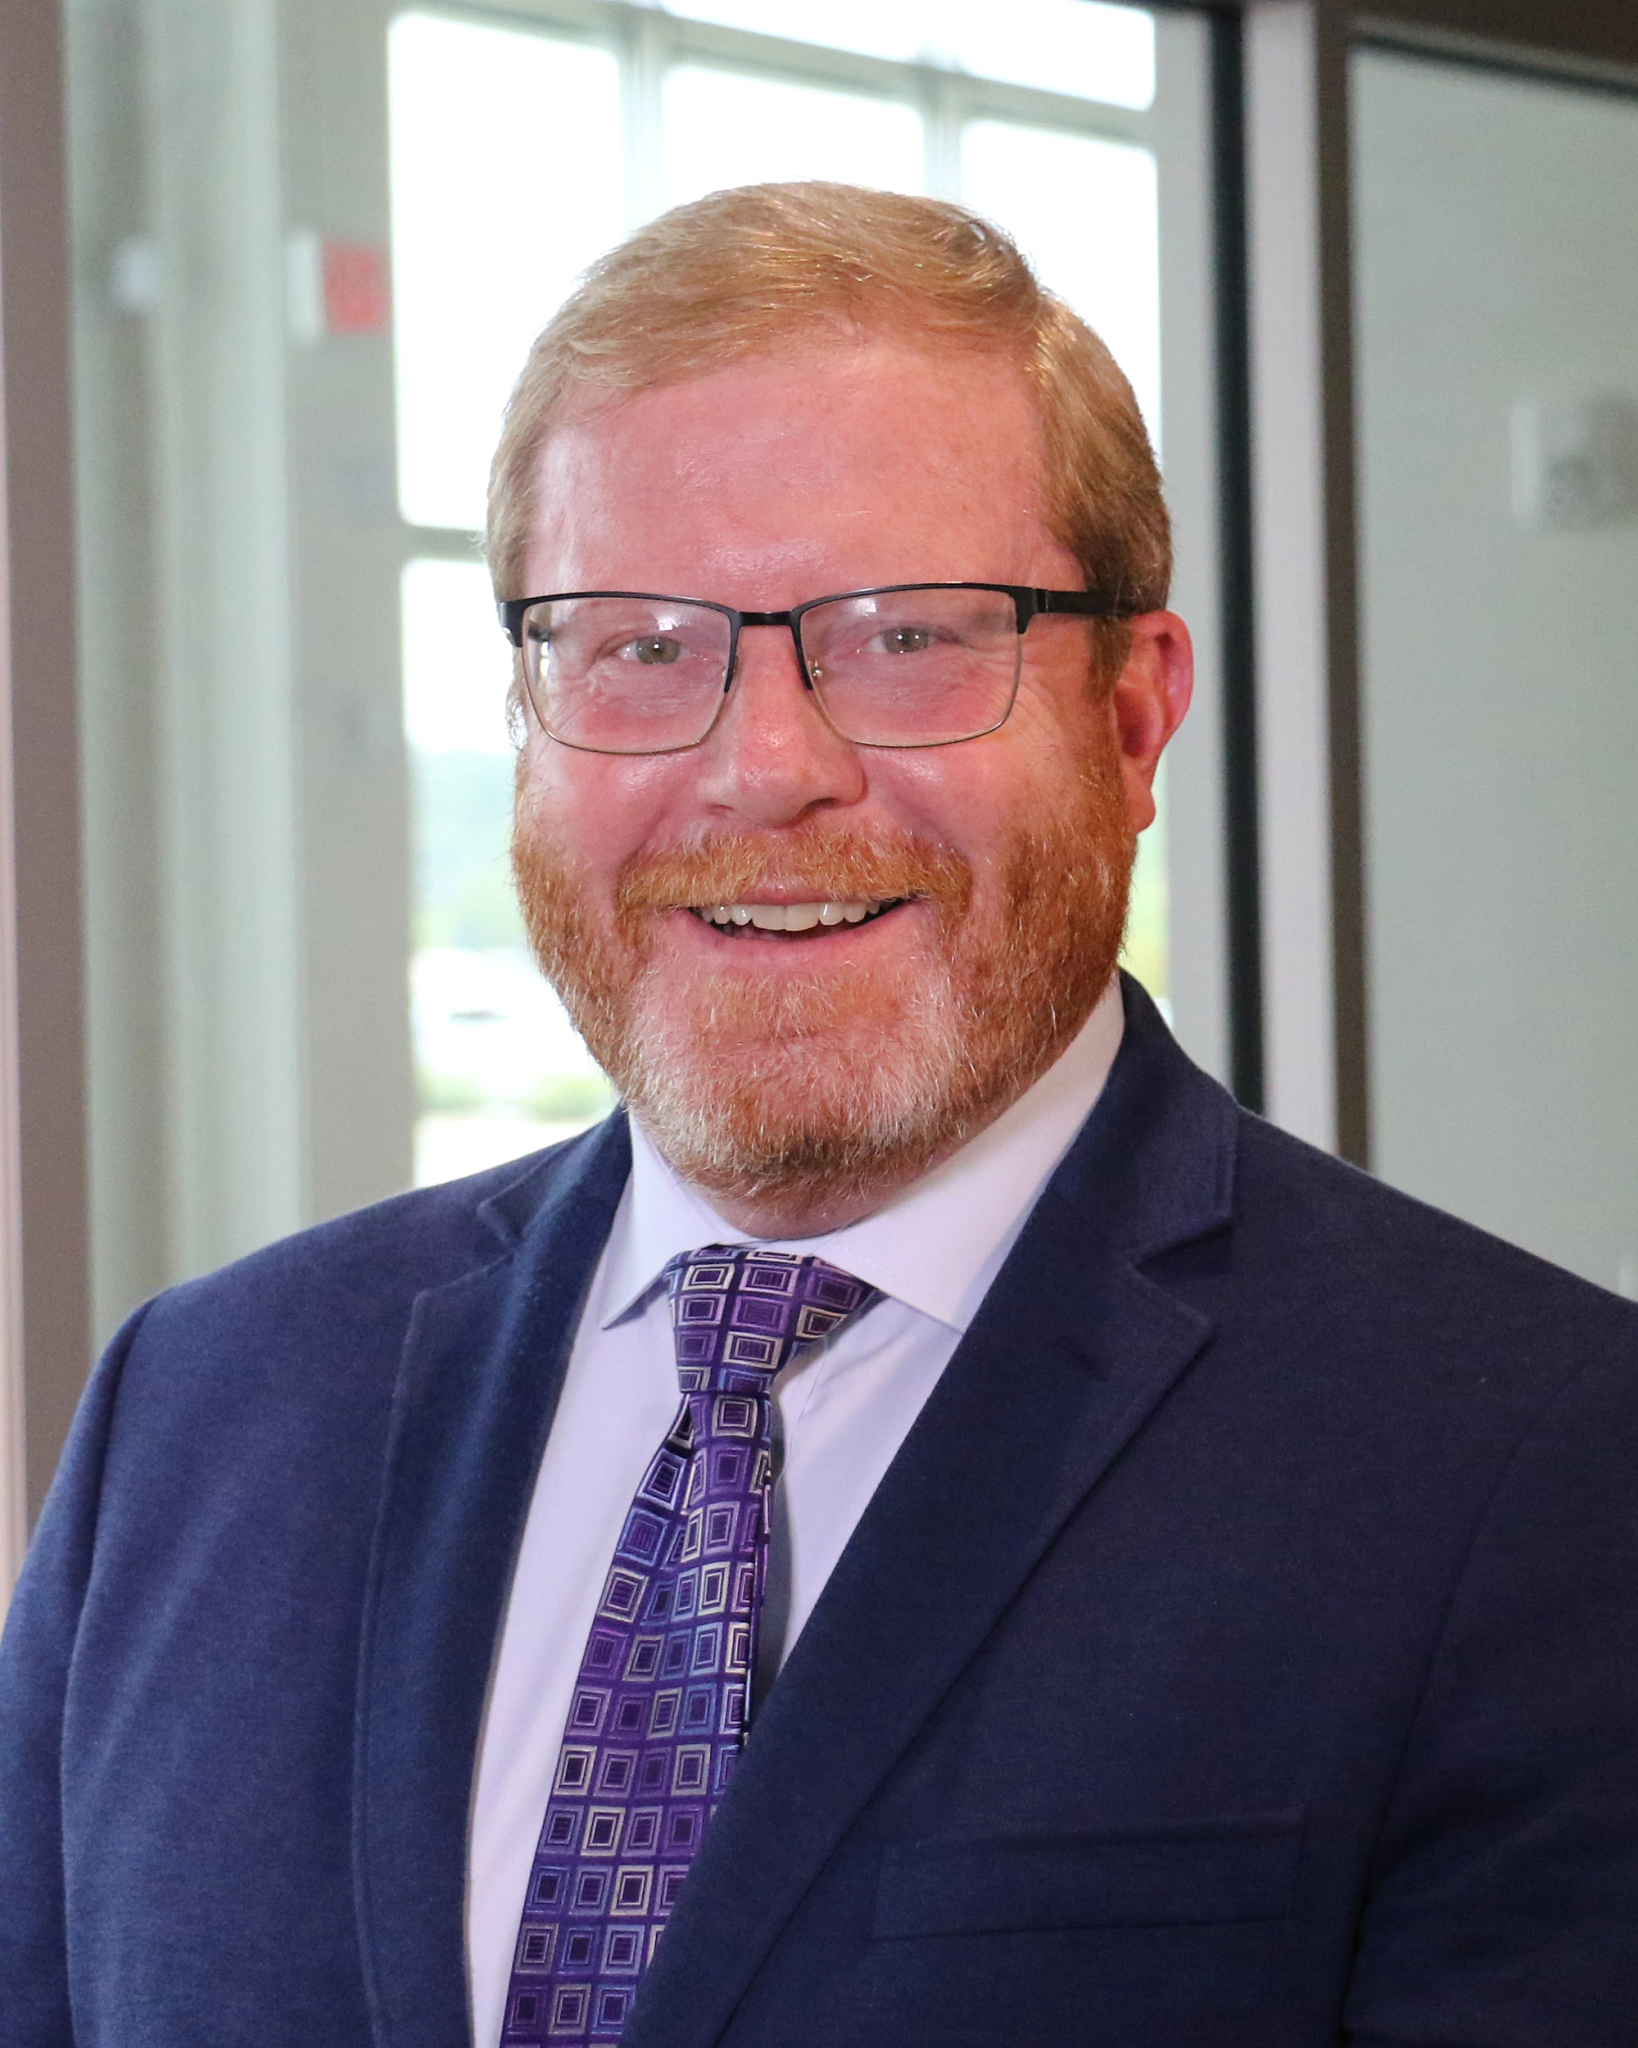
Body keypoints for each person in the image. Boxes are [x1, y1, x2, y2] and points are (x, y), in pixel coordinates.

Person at [2, 182, 1636, 2048]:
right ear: (529, 721)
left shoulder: (1539, 1469)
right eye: (634, 647)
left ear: (1129, 714)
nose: (765, 767)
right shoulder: (202, 1414)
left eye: (908, 636)